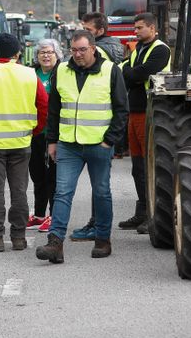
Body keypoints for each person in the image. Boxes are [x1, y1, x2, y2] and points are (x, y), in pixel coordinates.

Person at [36, 30, 129, 264]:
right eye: (74, 50)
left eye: (82, 50)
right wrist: (52, 141)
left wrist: (110, 139)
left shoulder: (110, 71)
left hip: (99, 144)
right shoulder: (62, 70)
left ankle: (102, 240)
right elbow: (54, 109)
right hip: (69, 145)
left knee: (101, 192)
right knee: (62, 192)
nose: (77, 54)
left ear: (93, 49)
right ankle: (55, 243)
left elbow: (121, 109)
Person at [0, 33, 49, 252]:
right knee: (19, 190)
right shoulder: (30, 74)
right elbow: (43, 105)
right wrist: (35, 130)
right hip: (22, 142)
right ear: (17, 53)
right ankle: (19, 237)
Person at [69, 12, 127, 241]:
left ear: (99, 33)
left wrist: (108, 139)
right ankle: (98, 227)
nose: (83, 33)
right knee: (100, 188)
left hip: (95, 135)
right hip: (101, 132)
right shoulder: (113, 48)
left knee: (100, 189)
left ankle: (97, 228)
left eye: (88, 30)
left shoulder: (98, 54)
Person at [119, 12, 171, 234]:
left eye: (139, 27)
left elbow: (140, 74)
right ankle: (142, 212)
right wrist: (130, 73)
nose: (136, 31)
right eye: (135, 27)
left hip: (151, 111)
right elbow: (125, 71)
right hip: (135, 110)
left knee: (150, 166)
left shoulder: (160, 49)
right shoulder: (138, 49)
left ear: (152, 27)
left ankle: (155, 215)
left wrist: (130, 73)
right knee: (138, 166)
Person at [26, 39, 62, 233]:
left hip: (53, 134)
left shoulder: (62, 73)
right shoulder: (31, 74)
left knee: (52, 178)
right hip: (35, 132)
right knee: (37, 175)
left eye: (50, 52)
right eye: (42, 53)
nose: (46, 56)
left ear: (57, 55)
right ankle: (39, 215)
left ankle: (54, 217)